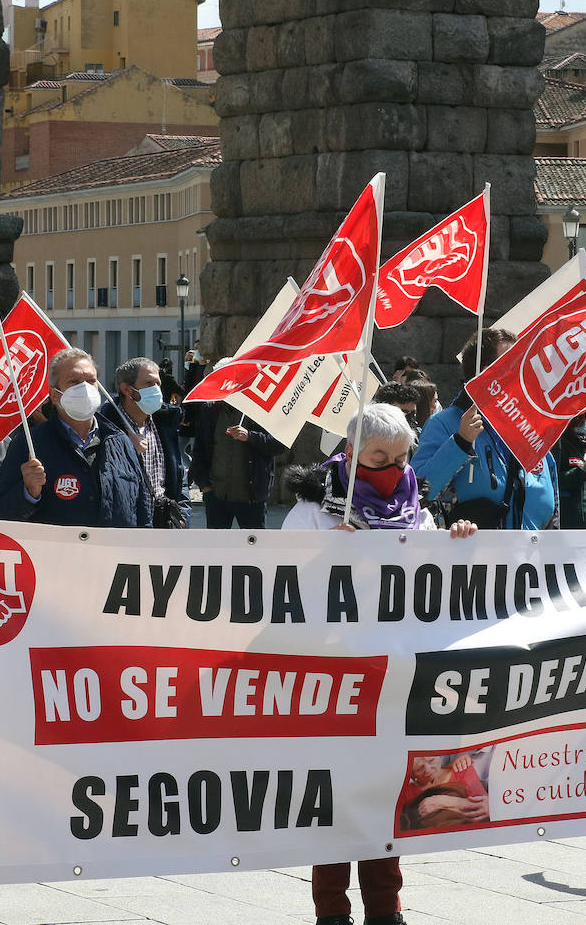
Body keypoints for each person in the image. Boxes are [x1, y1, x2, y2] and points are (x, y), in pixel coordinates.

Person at [282, 402, 477, 925]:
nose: (392, 468)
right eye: (377, 457)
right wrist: (323, 554)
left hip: (395, 679)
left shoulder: (419, 508)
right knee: (339, 799)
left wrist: (455, 542)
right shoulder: (313, 512)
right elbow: (279, 589)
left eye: (400, 457)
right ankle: (331, 912)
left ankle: (386, 909)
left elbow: (435, 581)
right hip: (333, 677)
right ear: (350, 454)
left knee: (391, 793)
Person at [0, 348, 152, 528]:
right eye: (74, 382)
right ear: (55, 395)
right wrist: (28, 494)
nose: (85, 388)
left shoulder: (120, 442)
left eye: (91, 381)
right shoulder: (29, 445)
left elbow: (143, 511)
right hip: (56, 555)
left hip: (114, 555)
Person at [412, 328, 556, 530]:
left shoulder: (528, 426)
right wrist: (460, 443)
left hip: (532, 555)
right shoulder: (443, 424)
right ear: (489, 372)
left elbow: (552, 501)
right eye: (513, 362)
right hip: (473, 556)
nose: (523, 371)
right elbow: (417, 494)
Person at [103, 356, 190, 528]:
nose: (157, 389)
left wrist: (182, 516)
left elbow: (179, 475)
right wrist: (123, 445)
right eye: (149, 384)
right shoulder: (105, 428)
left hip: (165, 528)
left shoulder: (165, 423)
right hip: (128, 530)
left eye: (158, 383)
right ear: (127, 390)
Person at [190, 401, 285, 529]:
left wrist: (250, 436)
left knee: (253, 545)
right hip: (217, 495)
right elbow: (199, 449)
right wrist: (204, 484)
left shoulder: (262, 410)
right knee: (217, 545)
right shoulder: (211, 410)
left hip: (250, 496)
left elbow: (278, 445)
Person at [398, 754, 489, 831]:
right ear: (412, 775)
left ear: (440, 756)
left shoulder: (462, 769)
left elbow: (484, 809)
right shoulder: (407, 792)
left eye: (431, 760)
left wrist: (443, 802)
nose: (428, 770)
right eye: (419, 769)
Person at [555, 412, 586, 528]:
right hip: (571, 519)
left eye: (585, 419)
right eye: (580, 419)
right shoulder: (560, 446)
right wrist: (582, 471)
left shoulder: (585, 448)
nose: (584, 424)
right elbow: (555, 481)